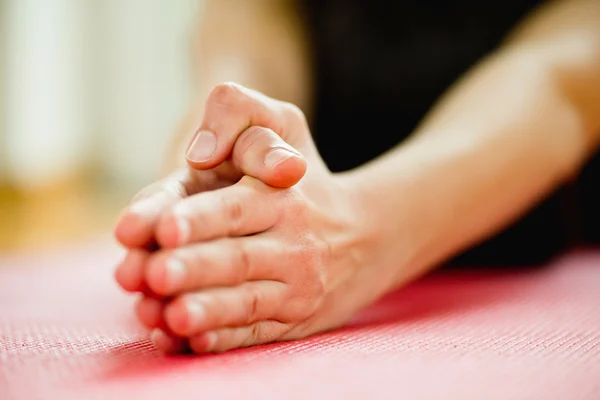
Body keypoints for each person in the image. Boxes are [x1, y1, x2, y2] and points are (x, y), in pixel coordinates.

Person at [114, 0, 600, 354]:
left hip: (534, 221)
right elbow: (246, 43)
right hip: (306, 186)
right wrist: (211, 166)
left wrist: (356, 231)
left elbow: (556, 80)